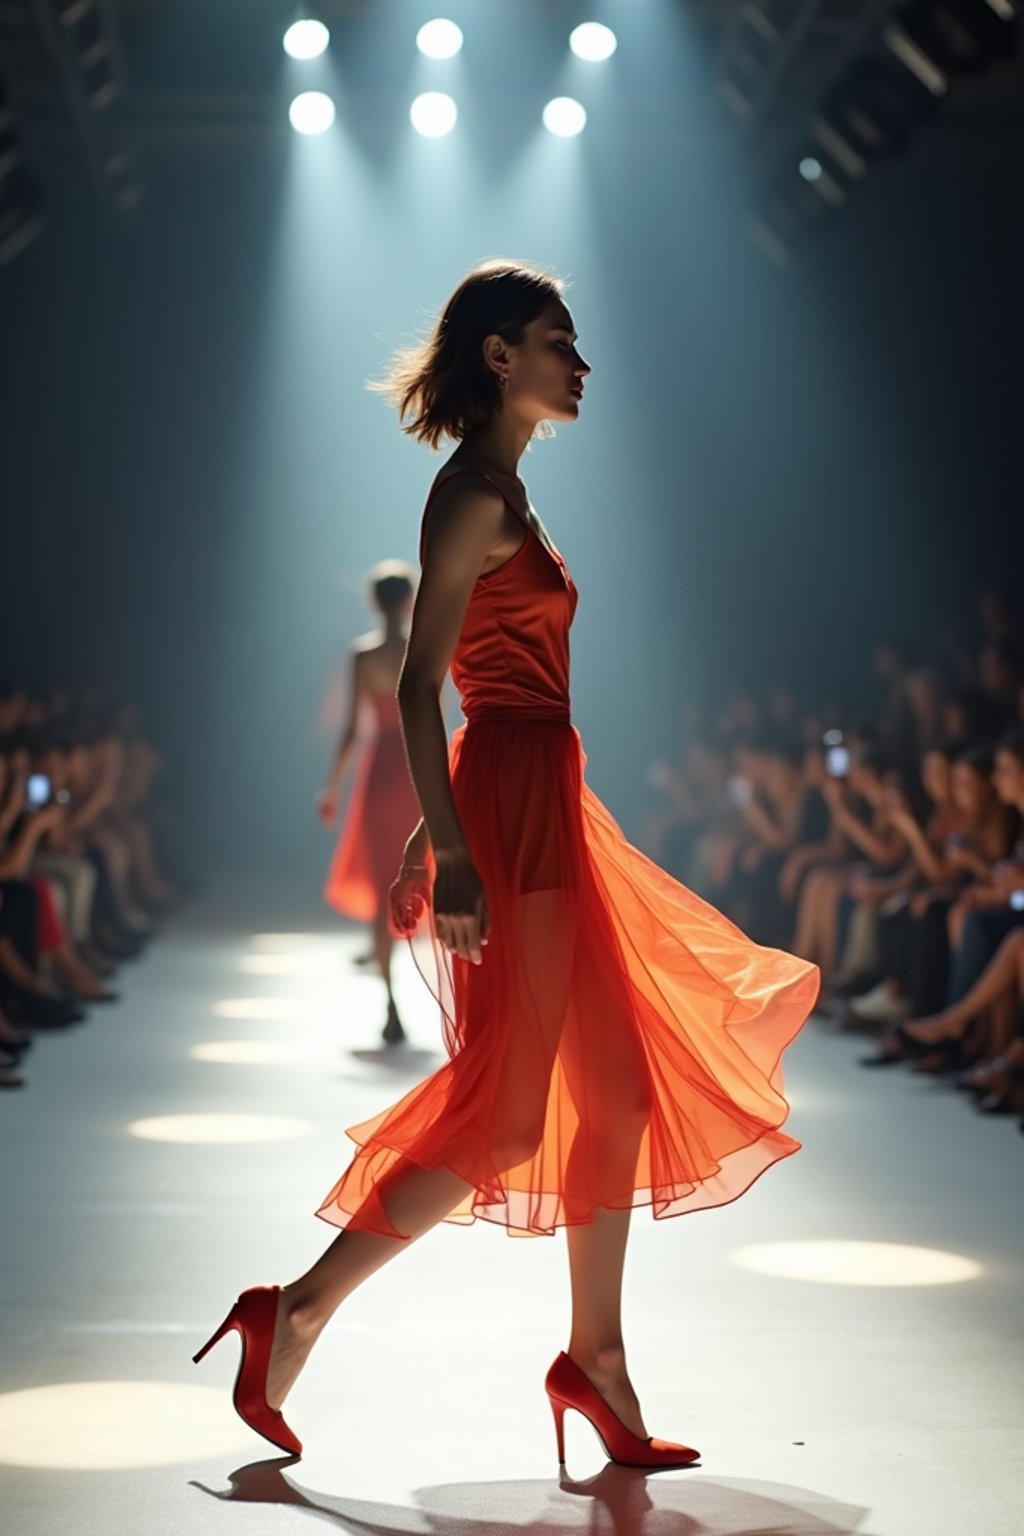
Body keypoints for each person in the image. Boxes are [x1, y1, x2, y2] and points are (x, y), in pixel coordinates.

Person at [193, 259, 819, 1469]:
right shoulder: (472, 495)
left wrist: (448, 826)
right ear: (498, 356)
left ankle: (597, 1359)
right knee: (512, 1107)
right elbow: (425, 688)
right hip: (517, 809)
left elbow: (476, 688)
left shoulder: (508, 497)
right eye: (556, 341)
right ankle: (302, 1308)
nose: (578, 364)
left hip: (536, 790)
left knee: (622, 1097)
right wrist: (461, 849)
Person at [319, 561, 422, 1045]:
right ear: (408, 602)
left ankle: (391, 1003)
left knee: (386, 885)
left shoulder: (363, 656)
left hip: (379, 770)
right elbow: (434, 719)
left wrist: (331, 788)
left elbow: (349, 731)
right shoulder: (423, 649)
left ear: (374, 602)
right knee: (426, 880)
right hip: (416, 770)